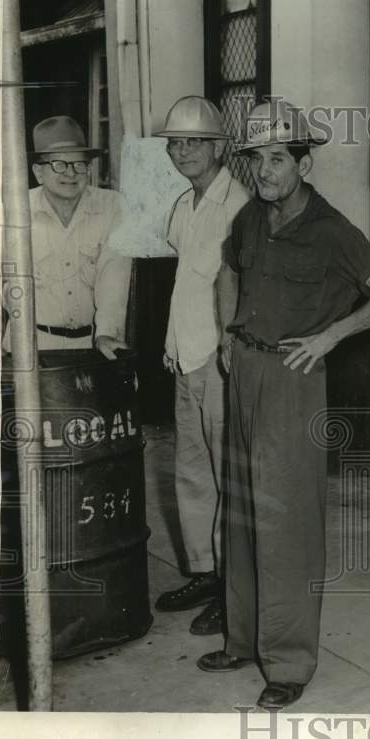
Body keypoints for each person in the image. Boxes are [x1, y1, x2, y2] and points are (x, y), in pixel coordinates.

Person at [196, 100, 370, 709]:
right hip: (246, 367)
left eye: (278, 158)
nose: (265, 170)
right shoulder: (250, 218)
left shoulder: (331, 228)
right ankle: (243, 639)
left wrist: (330, 337)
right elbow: (227, 272)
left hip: (294, 377)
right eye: (257, 158)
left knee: (286, 522)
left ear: (303, 162)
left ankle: (288, 663)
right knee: (240, 510)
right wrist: (229, 334)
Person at [151, 96, 251, 636]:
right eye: (176, 142)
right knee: (192, 475)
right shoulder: (185, 205)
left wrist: (229, 351)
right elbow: (186, 285)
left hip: (219, 359)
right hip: (185, 355)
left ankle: (236, 590)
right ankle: (206, 572)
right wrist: (172, 345)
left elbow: (239, 287)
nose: (184, 151)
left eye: (195, 142)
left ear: (219, 148)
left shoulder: (237, 206)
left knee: (228, 477)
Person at [22, 116, 131, 357]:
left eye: (79, 164)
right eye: (59, 164)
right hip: (31, 348)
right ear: (38, 172)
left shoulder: (112, 206)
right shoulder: (18, 210)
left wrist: (107, 333)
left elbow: (114, 276)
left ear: (89, 168)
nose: (71, 173)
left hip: (91, 345)